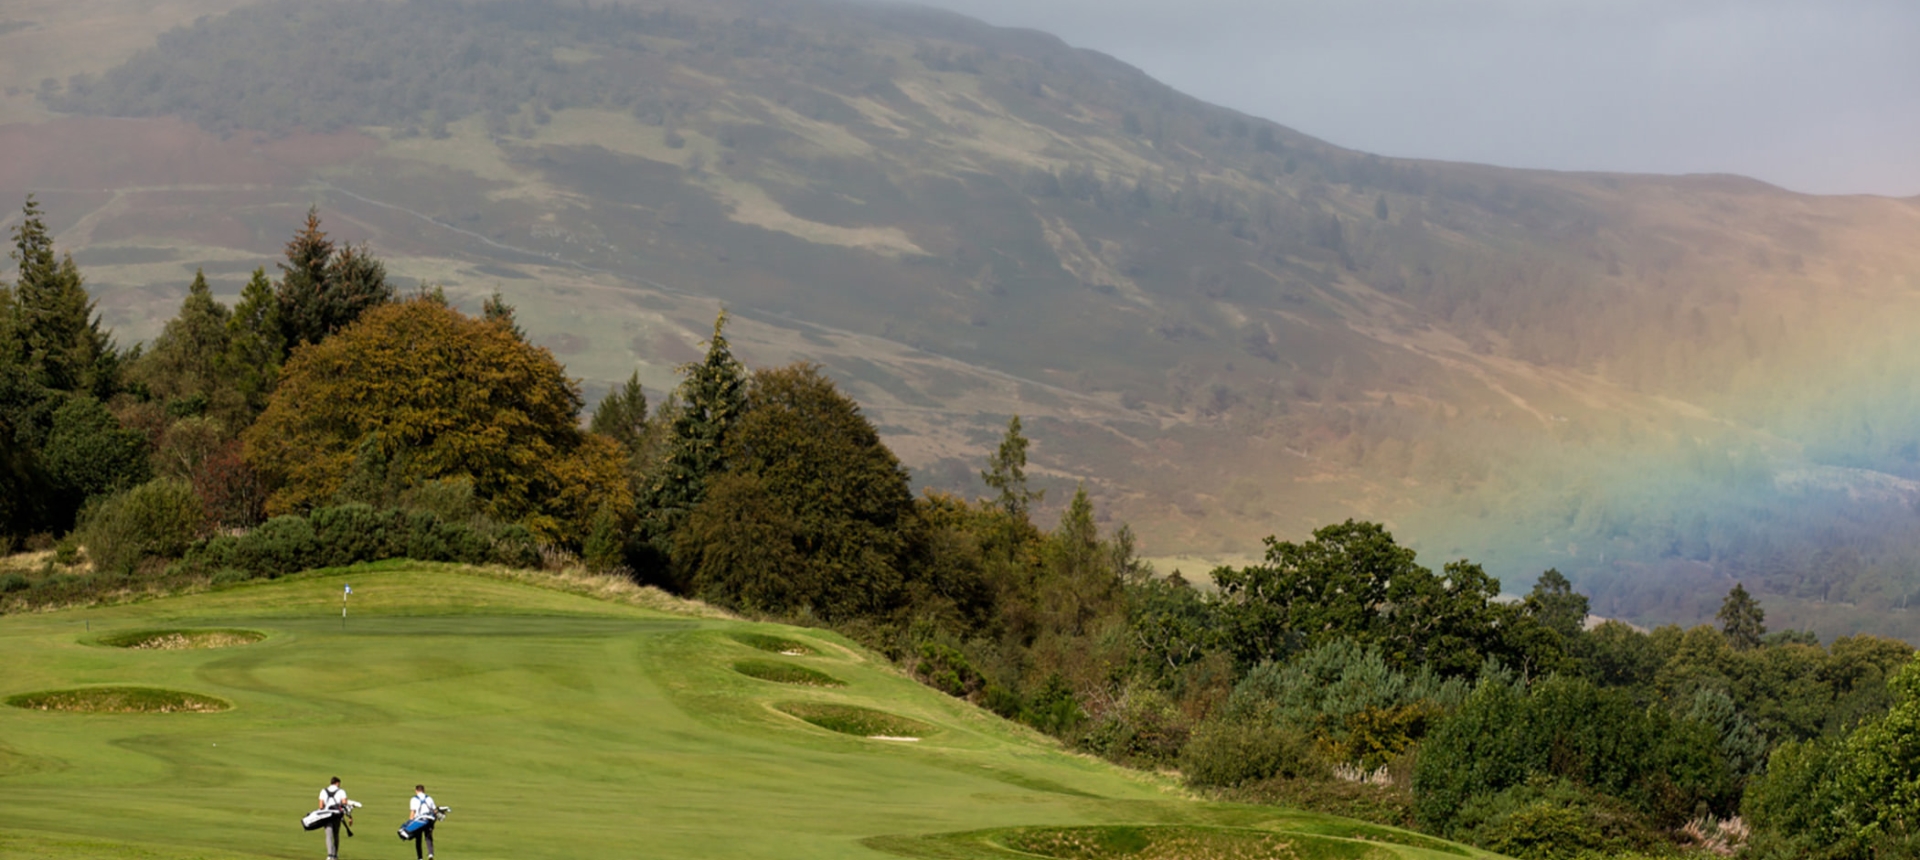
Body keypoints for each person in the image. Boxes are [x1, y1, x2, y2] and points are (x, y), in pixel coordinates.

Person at [316, 777, 351, 860]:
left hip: (326, 815)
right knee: (336, 835)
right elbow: (345, 805)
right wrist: (349, 816)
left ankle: (329, 855)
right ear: (337, 783)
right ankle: (334, 855)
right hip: (336, 815)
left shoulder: (323, 791)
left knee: (328, 835)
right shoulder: (341, 791)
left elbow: (320, 806)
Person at [407, 784, 438, 860]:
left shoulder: (413, 799)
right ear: (424, 790)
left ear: (416, 791)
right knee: (428, 837)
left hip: (419, 821)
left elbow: (412, 813)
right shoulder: (429, 798)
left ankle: (420, 857)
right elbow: (435, 811)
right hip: (428, 821)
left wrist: (410, 823)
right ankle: (430, 854)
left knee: (418, 839)